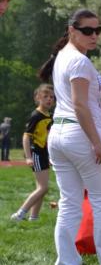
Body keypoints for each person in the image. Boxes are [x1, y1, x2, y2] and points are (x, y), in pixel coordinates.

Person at [40, 9, 101, 265]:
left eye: (97, 30)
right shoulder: (79, 61)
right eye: (87, 30)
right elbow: (80, 105)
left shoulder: (62, 57)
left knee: (69, 202)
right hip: (80, 134)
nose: (94, 35)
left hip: (59, 134)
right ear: (71, 30)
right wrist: (97, 143)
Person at [11, 85, 55, 221]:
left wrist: (50, 155)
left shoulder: (50, 116)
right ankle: (19, 214)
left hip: (44, 154)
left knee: (41, 188)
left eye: (51, 97)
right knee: (43, 188)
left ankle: (34, 217)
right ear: (37, 98)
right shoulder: (36, 115)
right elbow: (26, 136)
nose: (49, 99)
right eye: (45, 96)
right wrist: (28, 157)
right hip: (36, 153)